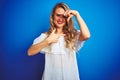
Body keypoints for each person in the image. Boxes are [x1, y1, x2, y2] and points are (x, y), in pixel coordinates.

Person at [28, 2, 90, 80]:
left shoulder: (72, 35)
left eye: (64, 16)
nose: (60, 19)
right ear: (53, 16)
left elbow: (87, 36)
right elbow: (30, 52)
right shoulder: (46, 36)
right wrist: (47, 41)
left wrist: (77, 15)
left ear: (68, 18)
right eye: (58, 15)